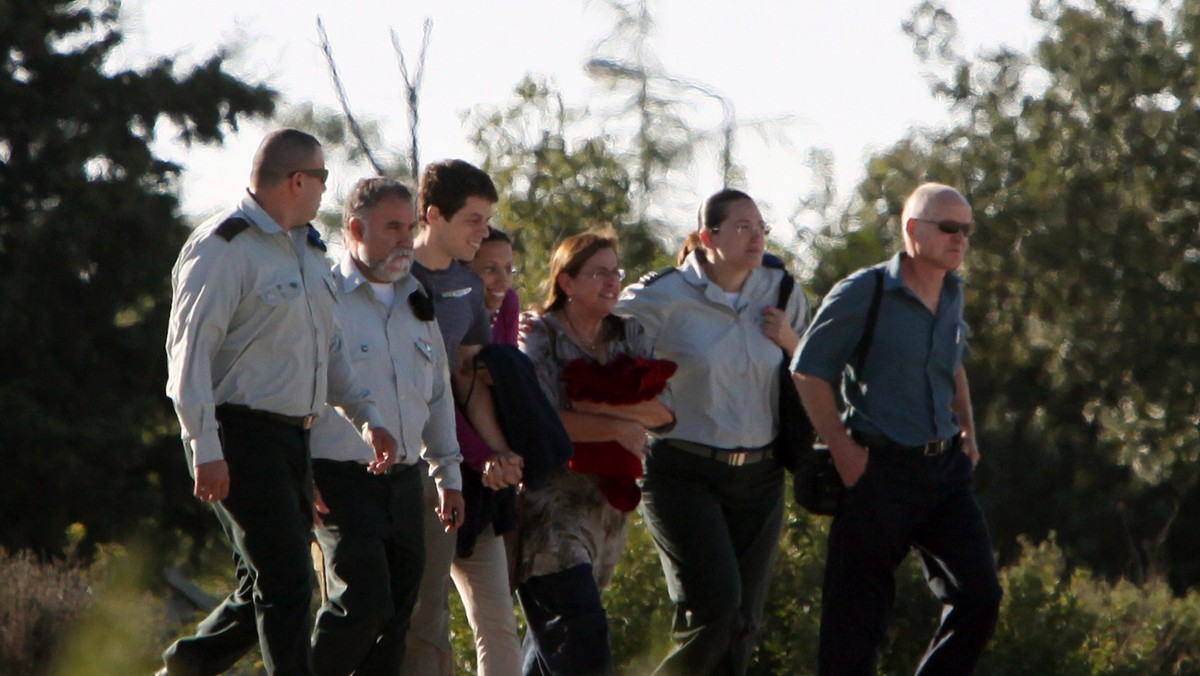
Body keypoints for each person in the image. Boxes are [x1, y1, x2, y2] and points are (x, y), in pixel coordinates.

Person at [161, 129, 398, 676]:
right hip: (237, 433)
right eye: (322, 178)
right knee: (288, 580)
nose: (323, 192)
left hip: (294, 437)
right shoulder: (222, 248)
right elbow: (188, 357)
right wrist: (205, 447)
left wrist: (370, 417)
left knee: (260, 589)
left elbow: (330, 350)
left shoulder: (310, 249)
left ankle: (182, 670)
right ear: (297, 180)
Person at [793, 182, 1002, 675]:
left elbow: (952, 367)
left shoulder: (953, 292)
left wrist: (969, 434)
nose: (961, 239)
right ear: (912, 230)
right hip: (876, 469)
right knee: (854, 627)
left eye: (967, 230)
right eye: (949, 228)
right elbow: (808, 370)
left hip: (944, 471)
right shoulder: (863, 292)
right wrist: (844, 452)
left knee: (980, 596)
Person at [618, 189, 808, 675]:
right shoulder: (662, 296)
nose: (757, 236)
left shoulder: (782, 289)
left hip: (760, 477)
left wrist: (790, 341)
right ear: (708, 237)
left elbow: (815, 367)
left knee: (741, 623)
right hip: (682, 472)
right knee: (715, 609)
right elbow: (593, 336)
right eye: (743, 226)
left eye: (761, 226)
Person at [307, 178, 465, 675]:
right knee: (362, 604)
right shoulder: (322, 296)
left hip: (405, 480)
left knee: (399, 614)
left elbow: (437, 394)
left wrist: (449, 476)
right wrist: (298, 473)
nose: (405, 238)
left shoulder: (418, 298)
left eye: (410, 225)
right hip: (339, 478)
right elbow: (301, 392)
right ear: (355, 228)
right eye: (392, 226)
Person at [518, 231, 674, 675]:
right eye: (599, 272)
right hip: (549, 504)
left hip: (607, 504)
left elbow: (665, 413)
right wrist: (619, 425)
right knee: (581, 634)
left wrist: (589, 407)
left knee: (551, 646)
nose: (612, 281)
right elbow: (544, 421)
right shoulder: (541, 335)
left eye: (615, 272)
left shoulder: (630, 333)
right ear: (566, 282)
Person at [403, 159, 523, 676]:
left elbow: (466, 379)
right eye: (474, 219)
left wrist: (498, 454)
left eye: (486, 218)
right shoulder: (392, 274)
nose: (484, 231)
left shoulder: (468, 287)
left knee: (497, 619)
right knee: (424, 625)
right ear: (433, 215)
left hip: (460, 473)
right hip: (400, 469)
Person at [467, 226, 520, 347]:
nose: (503, 280)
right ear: (467, 270)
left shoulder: (508, 301)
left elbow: (511, 358)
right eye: (490, 269)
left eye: (508, 269)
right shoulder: (454, 311)